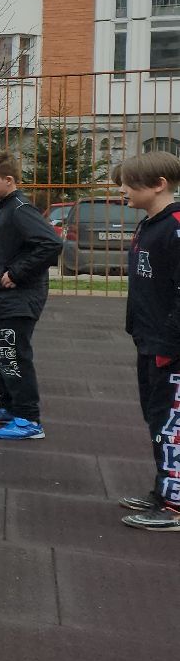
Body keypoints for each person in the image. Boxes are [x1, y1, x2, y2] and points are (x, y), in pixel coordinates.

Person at [0, 151, 63, 441]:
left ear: (8, 180)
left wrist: (16, 273)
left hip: (18, 299)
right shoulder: (5, 208)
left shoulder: (20, 209)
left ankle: (29, 420)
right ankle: (8, 407)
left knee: (12, 356)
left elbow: (50, 244)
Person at [114, 151, 180, 530]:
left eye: (128, 183)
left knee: (172, 424)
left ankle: (174, 505)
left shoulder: (175, 228)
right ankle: (165, 489)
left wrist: (170, 345)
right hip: (149, 341)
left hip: (169, 349)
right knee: (158, 420)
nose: (122, 190)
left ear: (158, 184)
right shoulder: (148, 225)